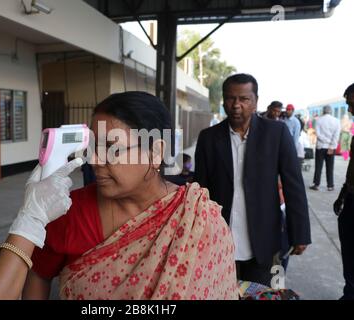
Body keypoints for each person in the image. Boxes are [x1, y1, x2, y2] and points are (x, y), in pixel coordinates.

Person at [22, 92, 238, 300]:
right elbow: (40, 274)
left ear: (155, 152)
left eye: (111, 148)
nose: (95, 160)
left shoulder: (197, 219)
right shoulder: (67, 209)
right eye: (92, 147)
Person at [194, 73, 311, 286]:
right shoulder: (209, 138)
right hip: (219, 239)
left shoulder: (276, 133)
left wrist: (300, 232)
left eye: (244, 99)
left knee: (266, 292)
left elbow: (293, 185)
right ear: (223, 101)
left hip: (264, 238)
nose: (236, 105)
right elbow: (200, 189)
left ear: (255, 101)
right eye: (230, 98)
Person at [333, 83, 354, 300]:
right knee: (348, 250)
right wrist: (342, 195)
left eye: (351, 103)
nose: (349, 109)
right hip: (350, 198)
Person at [310, 105, 341, 191]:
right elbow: (336, 135)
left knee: (318, 166)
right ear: (331, 111)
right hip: (331, 147)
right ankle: (330, 186)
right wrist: (331, 145)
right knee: (330, 167)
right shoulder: (336, 121)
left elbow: (318, 134)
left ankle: (316, 184)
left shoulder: (319, 120)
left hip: (320, 146)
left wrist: (325, 141)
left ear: (323, 111)